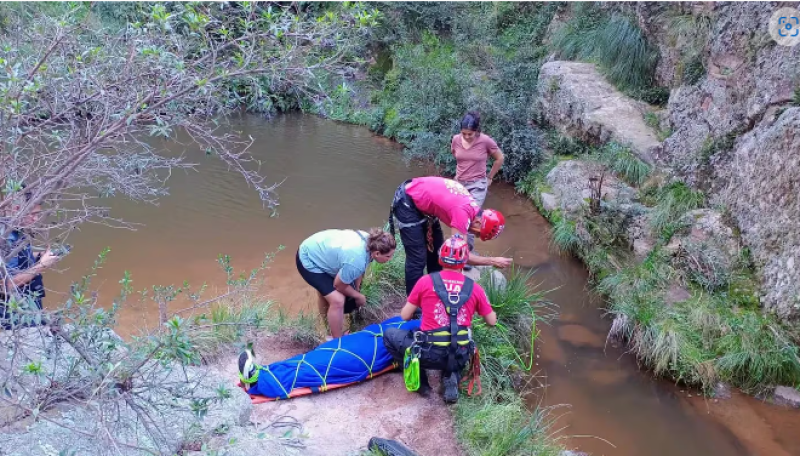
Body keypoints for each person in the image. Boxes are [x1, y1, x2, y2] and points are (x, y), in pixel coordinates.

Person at [383, 234, 497, 403]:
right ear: (464, 261)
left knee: (390, 334)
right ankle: (452, 375)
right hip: (460, 353)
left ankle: (422, 385)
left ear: (440, 257)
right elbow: (492, 321)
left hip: (428, 354)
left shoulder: (425, 281)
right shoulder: (474, 288)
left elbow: (405, 316)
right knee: (456, 342)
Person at [388, 175, 511, 296]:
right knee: (417, 259)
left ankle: (434, 292)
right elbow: (461, 256)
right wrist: (492, 261)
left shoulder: (472, 208)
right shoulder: (462, 213)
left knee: (436, 252)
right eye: (478, 233)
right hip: (407, 202)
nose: (475, 235)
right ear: (479, 222)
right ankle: (414, 306)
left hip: (425, 205)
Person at [296, 227, 396, 340]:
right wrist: (359, 296)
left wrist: (357, 288)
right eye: (388, 256)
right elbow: (338, 285)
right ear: (377, 253)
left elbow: (360, 267)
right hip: (308, 258)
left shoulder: (371, 241)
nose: (390, 259)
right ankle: (337, 341)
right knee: (337, 300)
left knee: (327, 293)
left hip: (319, 249)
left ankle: (329, 330)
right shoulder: (357, 259)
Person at [1, 187, 62, 329]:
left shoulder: (18, 230)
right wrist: (41, 265)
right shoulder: (4, 238)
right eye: (33, 214)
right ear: (17, 209)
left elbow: (16, 258)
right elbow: (6, 285)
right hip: (14, 311)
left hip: (29, 301)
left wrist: (39, 256)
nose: (36, 219)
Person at [451, 111, 504, 252]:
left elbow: (500, 158)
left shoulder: (485, 141)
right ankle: (458, 248)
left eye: (470, 134)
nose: (467, 137)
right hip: (459, 184)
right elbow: (457, 156)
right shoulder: (456, 139)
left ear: (477, 131)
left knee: (469, 218)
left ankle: (467, 253)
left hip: (477, 185)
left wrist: (490, 177)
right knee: (457, 217)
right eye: (464, 133)